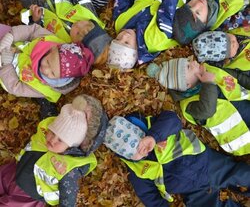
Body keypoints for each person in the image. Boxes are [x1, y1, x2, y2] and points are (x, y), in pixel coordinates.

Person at [113, 0, 249, 65]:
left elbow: (122, 0)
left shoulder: (121, 23)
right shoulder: (153, 41)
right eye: (126, 43)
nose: (124, 36)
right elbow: (167, 13)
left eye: (118, 38)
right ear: (136, 50)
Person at [104, 111, 250, 207]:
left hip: (205, 163)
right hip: (192, 191)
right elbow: (148, 195)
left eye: (140, 145)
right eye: (134, 153)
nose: (143, 152)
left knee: (239, 174)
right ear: (126, 157)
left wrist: (154, 137)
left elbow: (173, 120)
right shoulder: (137, 171)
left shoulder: (157, 128)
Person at [0, 94, 108, 207]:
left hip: (29, 194)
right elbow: (48, 113)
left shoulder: (68, 168)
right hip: (14, 170)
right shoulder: (49, 126)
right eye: (52, 132)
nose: (52, 139)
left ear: (71, 146)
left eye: (60, 140)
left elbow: (68, 196)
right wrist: (42, 97)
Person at [146, 57, 250, 155]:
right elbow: (207, 111)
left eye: (188, 61)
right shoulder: (189, 105)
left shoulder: (208, 70)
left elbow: (235, 76)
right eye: (188, 67)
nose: (193, 62)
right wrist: (208, 83)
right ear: (187, 84)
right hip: (241, 134)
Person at [0, 24, 94, 102]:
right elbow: (33, 31)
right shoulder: (50, 41)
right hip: (13, 45)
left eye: (52, 73)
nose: (45, 69)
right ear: (52, 50)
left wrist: (6, 65)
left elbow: (16, 87)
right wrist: (11, 36)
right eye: (48, 62)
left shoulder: (44, 89)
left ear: (59, 79)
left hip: (6, 72)